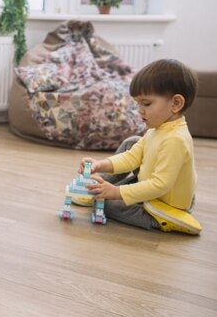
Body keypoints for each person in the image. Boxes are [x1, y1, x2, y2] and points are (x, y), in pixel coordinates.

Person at [77, 58, 202, 234]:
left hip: (165, 203)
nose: (140, 110)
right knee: (132, 143)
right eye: (138, 104)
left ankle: (162, 220)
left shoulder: (175, 139)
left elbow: (160, 185)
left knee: (105, 204)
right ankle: (100, 185)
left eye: (147, 104)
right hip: (153, 185)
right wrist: (100, 164)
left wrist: (116, 193)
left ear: (176, 104)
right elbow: (131, 157)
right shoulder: (157, 129)